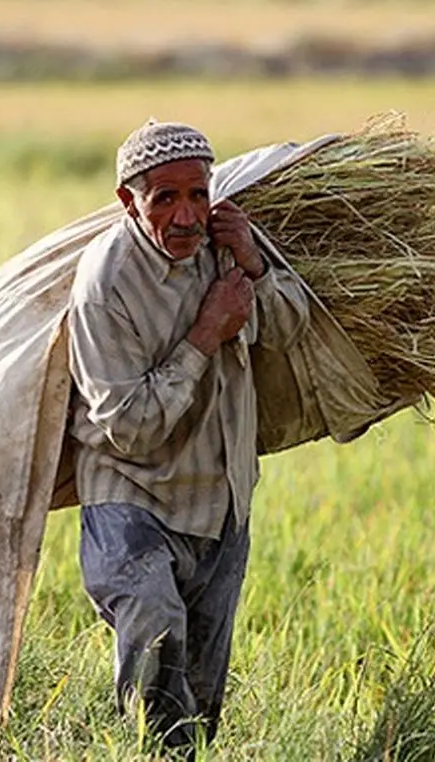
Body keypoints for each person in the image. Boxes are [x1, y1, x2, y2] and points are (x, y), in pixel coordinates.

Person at [66, 119, 311, 752]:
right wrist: (207, 333)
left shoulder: (227, 246)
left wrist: (256, 267)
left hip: (221, 494)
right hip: (131, 494)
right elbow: (125, 426)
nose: (185, 216)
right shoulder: (105, 283)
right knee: (152, 633)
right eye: (164, 198)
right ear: (129, 201)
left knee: (200, 691)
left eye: (197, 195)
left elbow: (290, 330)